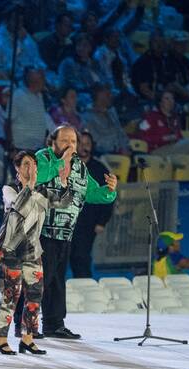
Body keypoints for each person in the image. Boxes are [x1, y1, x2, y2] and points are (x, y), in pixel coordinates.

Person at [33, 125, 118, 340]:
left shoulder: (79, 165)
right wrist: (62, 163)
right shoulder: (43, 158)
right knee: (38, 281)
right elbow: (37, 178)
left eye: (73, 141)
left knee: (57, 281)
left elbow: (92, 193)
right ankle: (25, 324)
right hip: (42, 232)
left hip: (65, 234)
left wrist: (109, 191)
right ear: (52, 142)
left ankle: (54, 325)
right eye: (65, 141)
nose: (70, 145)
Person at [0, 150, 72, 357]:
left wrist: (63, 181)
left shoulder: (42, 192)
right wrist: (29, 186)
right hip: (9, 248)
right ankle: (0, 340)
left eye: (33, 164)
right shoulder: (9, 189)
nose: (31, 168)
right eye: (26, 164)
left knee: (35, 295)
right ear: (18, 168)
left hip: (32, 250)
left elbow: (63, 202)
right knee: (11, 295)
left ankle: (28, 339)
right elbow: (19, 207)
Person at [69, 130, 114, 279]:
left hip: (88, 223)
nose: (84, 147)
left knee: (81, 257)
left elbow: (108, 197)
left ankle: (85, 287)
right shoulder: (66, 166)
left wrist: (102, 222)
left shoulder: (100, 169)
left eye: (87, 144)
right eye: (80, 143)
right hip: (67, 222)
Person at [136, 90, 189, 156]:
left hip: (172, 147)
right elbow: (142, 137)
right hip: (156, 151)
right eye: (167, 98)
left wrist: (176, 137)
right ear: (160, 102)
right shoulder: (151, 117)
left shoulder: (174, 117)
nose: (170, 101)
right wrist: (163, 138)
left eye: (172, 98)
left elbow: (179, 135)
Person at [10, 68, 52, 155]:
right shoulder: (18, 96)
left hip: (37, 147)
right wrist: (10, 145)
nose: (44, 82)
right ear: (34, 81)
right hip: (22, 147)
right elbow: (8, 121)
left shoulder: (40, 96)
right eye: (42, 79)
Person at [83, 85, 130, 157]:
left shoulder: (112, 111)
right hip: (106, 155)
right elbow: (96, 141)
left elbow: (121, 132)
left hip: (123, 151)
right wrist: (118, 148)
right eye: (108, 95)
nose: (111, 97)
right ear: (100, 97)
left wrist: (125, 147)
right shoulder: (87, 117)